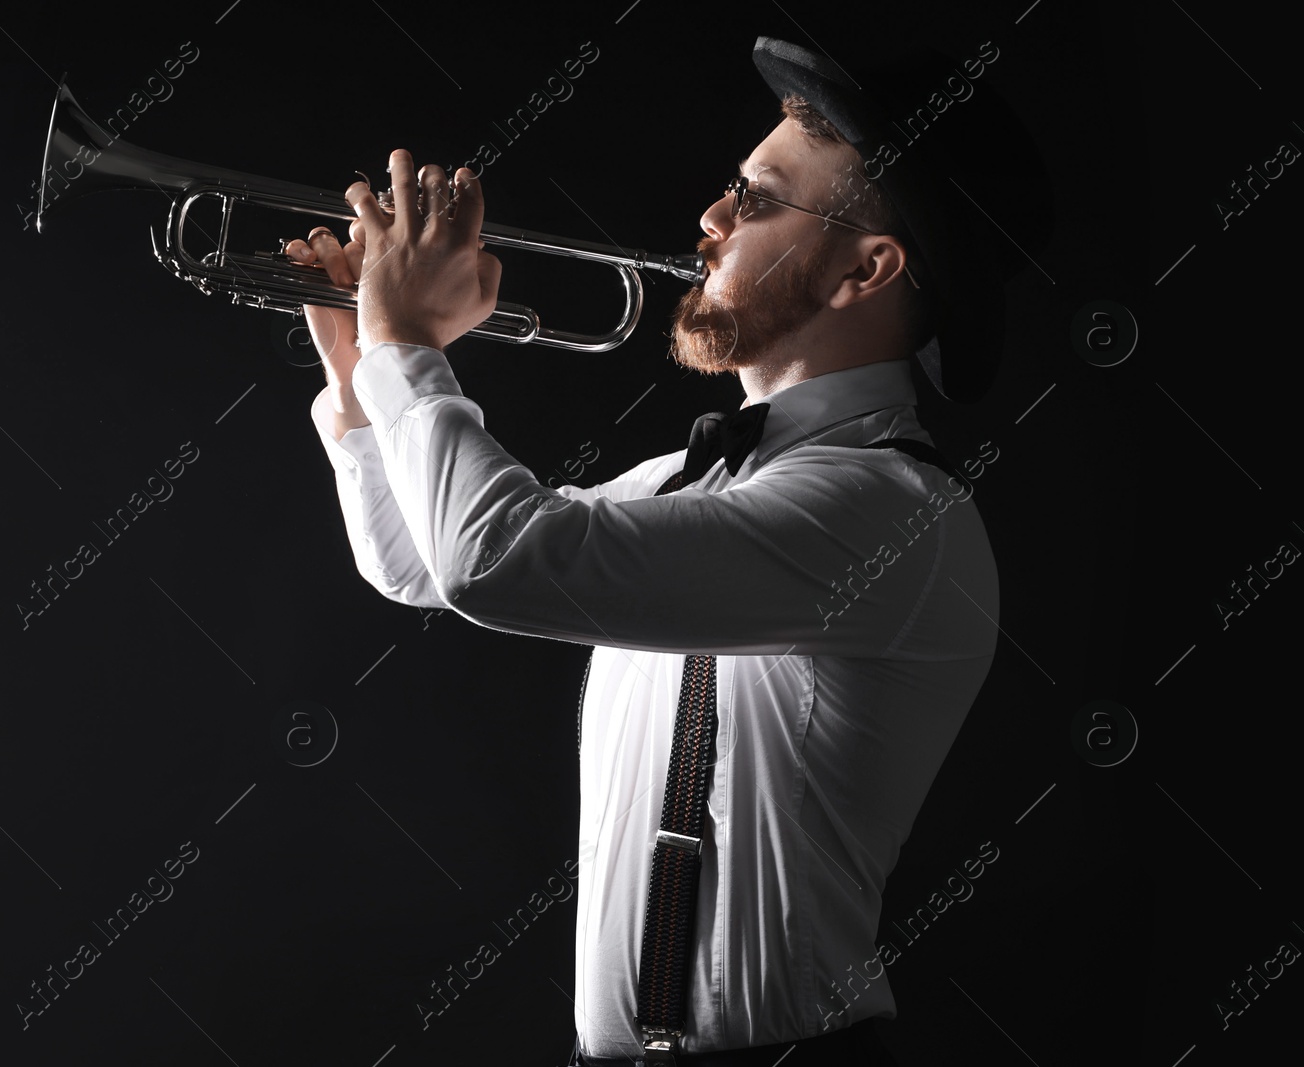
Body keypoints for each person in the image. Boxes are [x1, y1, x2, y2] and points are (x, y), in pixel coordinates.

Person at [292, 34, 1049, 1067]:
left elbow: (492, 560)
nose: (710, 220)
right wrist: (360, 374)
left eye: (758, 200)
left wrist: (407, 347)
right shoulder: (688, 478)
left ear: (866, 270)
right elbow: (420, 562)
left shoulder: (888, 511)